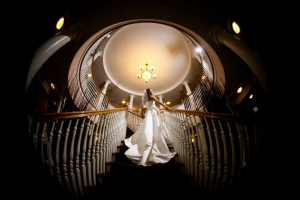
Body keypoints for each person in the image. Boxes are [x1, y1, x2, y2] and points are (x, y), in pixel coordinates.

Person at [124, 88, 176, 166]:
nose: (153, 91)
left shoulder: (144, 99)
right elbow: (159, 102)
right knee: (154, 126)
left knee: (148, 126)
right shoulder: (152, 96)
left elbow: (141, 107)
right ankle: (152, 141)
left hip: (148, 112)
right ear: (150, 92)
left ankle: (150, 140)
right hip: (153, 112)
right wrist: (166, 107)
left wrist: (142, 114)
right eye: (152, 90)